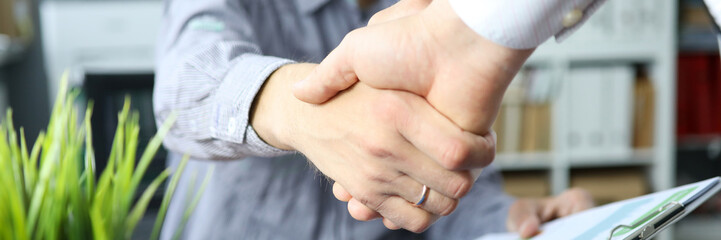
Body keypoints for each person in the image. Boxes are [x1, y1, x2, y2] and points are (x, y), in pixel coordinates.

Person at [154, 0, 593, 239]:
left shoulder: (432, 13)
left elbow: (446, 193)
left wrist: (512, 220)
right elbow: (182, 88)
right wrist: (303, 112)